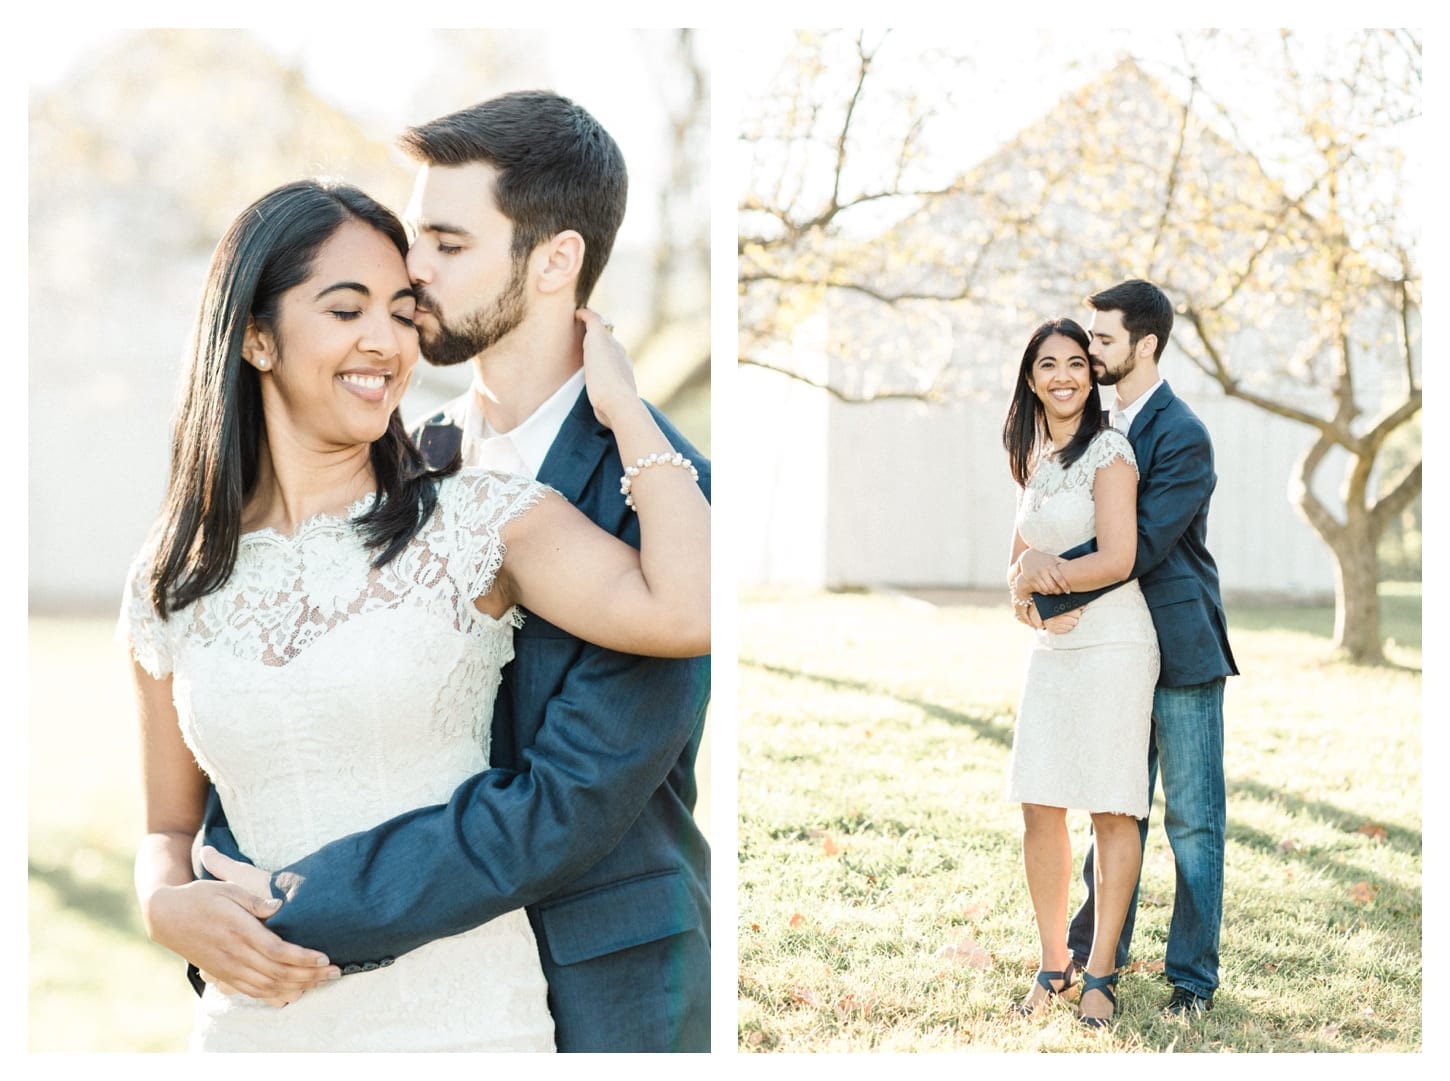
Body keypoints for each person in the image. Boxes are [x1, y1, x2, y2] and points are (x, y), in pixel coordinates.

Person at [162, 93, 712, 1052]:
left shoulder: (673, 500)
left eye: (448, 244)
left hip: (605, 979)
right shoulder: (402, 464)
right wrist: (196, 895)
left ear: (555, 260)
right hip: (342, 989)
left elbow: (565, 804)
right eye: (417, 235)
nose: (411, 270)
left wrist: (282, 910)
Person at [1018, 280, 1237, 1016]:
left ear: (1144, 345)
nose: (1091, 352)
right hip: (1101, 646)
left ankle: (1193, 980)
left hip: (1177, 645)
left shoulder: (1183, 434)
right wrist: (1024, 578)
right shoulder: (1094, 427)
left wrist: (1041, 585)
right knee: (1116, 802)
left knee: (1193, 821)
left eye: (1103, 341)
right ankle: (1092, 958)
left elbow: (1136, 548)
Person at [1001, 316, 1159, 1028]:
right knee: (1040, 801)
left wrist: (1043, 576)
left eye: (1075, 362)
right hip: (1053, 652)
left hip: (1113, 645)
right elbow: (1012, 569)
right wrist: (1026, 591)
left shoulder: (1111, 451)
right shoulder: (1035, 462)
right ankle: (1052, 963)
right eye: (1048, 364)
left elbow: (1119, 556)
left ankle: (1100, 973)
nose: (1063, 375)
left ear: (1091, 375)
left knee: (1110, 804)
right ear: (1031, 379)